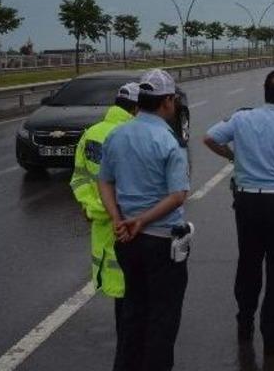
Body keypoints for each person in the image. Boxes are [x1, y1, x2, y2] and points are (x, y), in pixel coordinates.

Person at [203, 70, 274, 355]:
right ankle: (272, 333)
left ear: (266, 93)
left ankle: (245, 320)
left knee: (249, 262)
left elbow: (209, 138)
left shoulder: (242, 119)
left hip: (247, 203)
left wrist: (233, 156)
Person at [98, 69, 191, 371]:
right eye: (173, 100)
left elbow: (104, 181)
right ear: (166, 101)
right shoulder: (168, 141)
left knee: (133, 312)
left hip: (127, 241)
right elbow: (178, 195)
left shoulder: (117, 134)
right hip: (161, 241)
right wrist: (141, 220)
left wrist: (118, 219)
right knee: (163, 318)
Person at [70, 82, 140, 356]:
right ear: (136, 107)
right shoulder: (132, 134)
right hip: (130, 226)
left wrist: (93, 210)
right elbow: (137, 188)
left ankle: (125, 352)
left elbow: (79, 178)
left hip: (101, 227)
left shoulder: (91, 134)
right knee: (136, 302)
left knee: (121, 304)